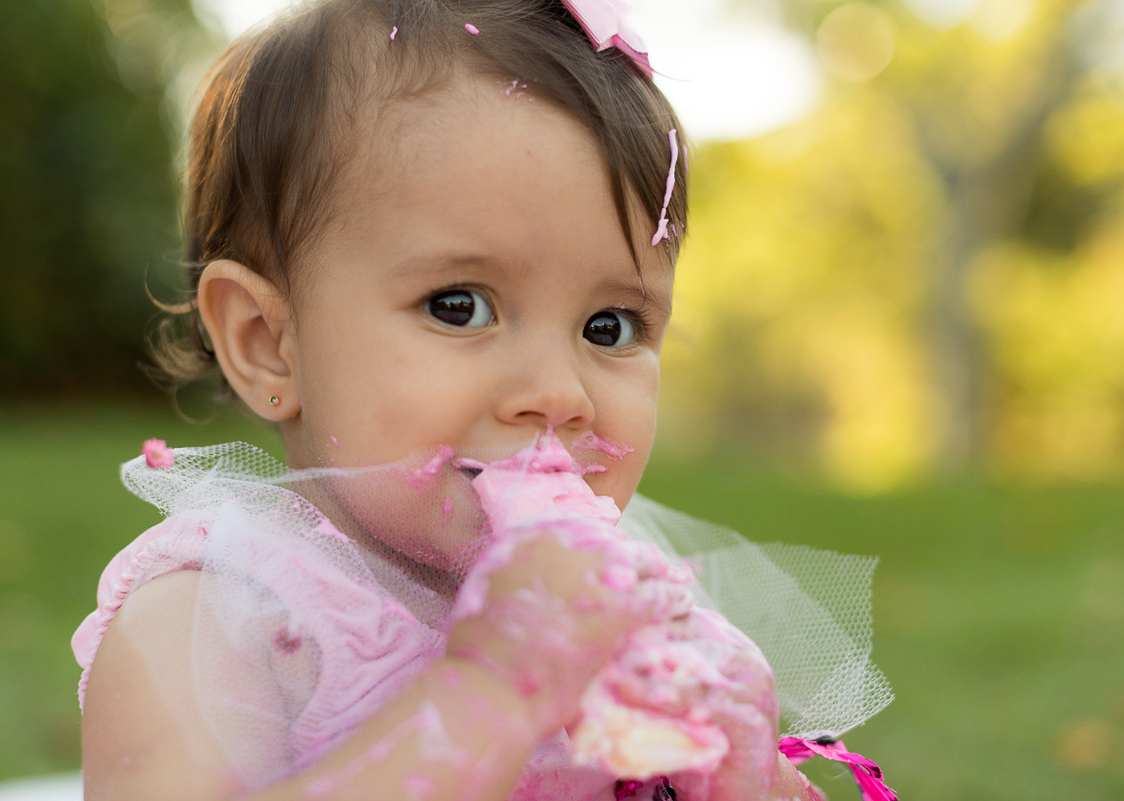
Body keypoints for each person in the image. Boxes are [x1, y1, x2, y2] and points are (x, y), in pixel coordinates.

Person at [72, 2, 895, 800]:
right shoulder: (213, 619)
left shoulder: (616, 602)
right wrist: (493, 690)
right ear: (265, 341)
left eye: (609, 326)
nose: (559, 394)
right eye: (459, 306)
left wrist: (743, 773)